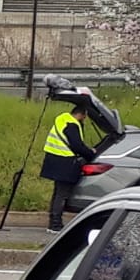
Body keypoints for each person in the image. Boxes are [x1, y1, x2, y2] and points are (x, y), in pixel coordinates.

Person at [40, 99, 96, 233]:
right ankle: (55, 225)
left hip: (54, 160)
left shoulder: (62, 120)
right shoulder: (72, 125)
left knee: (57, 193)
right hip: (65, 162)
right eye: (85, 117)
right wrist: (90, 153)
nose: (85, 120)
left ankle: (52, 223)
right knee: (62, 194)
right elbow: (77, 146)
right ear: (83, 115)